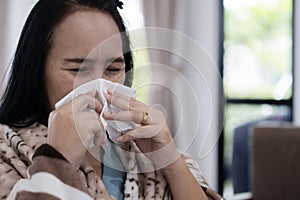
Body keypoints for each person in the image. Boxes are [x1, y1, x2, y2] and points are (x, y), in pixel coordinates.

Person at [0, 0, 223, 199]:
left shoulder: (143, 149)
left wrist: (172, 164)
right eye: (78, 69)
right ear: (36, 70)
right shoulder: (6, 149)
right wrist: (58, 160)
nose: (99, 86)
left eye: (114, 68)